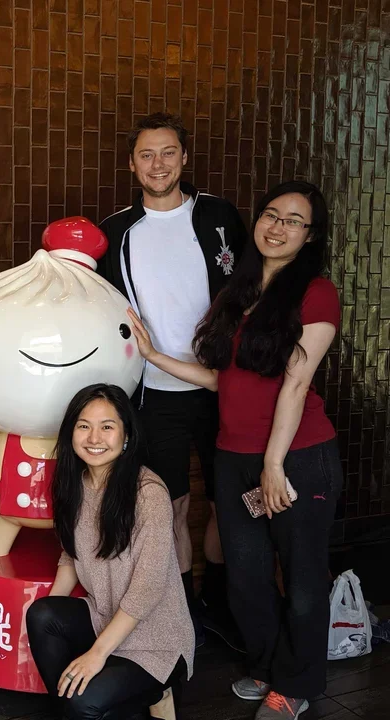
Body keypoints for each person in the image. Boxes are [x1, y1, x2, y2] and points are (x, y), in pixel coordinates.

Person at [129, 181, 340, 720]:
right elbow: (223, 380)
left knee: (302, 573)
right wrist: (153, 355)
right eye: (271, 214)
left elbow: (294, 384)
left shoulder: (315, 294)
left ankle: (297, 684)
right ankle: (269, 665)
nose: (277, 226)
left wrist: (273, 465)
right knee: (244, 574)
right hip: (234, 455)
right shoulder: (239, 292)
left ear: (309, 235)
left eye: (293, 220)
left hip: (297, 454)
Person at [98, 112, 248, 649]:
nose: (157, 164)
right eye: (146, 154)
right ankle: (184, 610)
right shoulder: (115, 232)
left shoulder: (220, 216)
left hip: (222, 388)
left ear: (184, 159)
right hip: (152, 394)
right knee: (173, 505)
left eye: (167, 153)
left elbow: (250, 292)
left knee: (233, 500)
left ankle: (225, 602)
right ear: (132, 163)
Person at [26, 384, 194, 720]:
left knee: (84, 701)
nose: (94, 438)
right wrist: (50, 612)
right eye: (84, 426)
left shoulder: (148, 493)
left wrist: (97, 654)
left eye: (107, 427)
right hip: (104, 616)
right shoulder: (74, 482)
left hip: (155, 638)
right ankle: (77, 706)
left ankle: (147, 692)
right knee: (41, 615)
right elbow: (70, 555)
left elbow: (147, 589)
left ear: (126, 436)